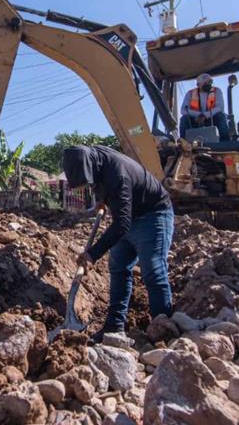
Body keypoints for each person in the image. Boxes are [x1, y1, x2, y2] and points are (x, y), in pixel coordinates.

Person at [61, 145, 174, 341]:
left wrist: (92, 254)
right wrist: (101, 198)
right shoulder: (95, 160)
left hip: (152, 215)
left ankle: (164, 330)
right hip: (127, 215)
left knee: (153, 270)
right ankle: (114, 327)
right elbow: (100, 182)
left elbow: (122, 224)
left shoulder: (117, 174)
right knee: (118, 269)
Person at [179, 73, 230, 141]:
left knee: (221, 116)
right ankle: (183, 142)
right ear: (198, 85)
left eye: (210, 82)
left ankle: (225, 142)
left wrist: (205, 115)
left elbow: (220, 107)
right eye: (205, 83)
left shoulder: (217, 91)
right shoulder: (190, 93)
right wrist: (198, 115)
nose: (208, 84)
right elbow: (183, 110)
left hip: (212, 118)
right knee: (184, 119)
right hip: (195, 120)